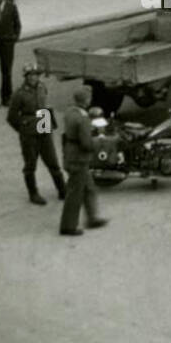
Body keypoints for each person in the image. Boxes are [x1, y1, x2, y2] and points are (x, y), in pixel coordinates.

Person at [7, 64, 67, 205]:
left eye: (36, 75)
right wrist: (23, 129)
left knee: (52, 161)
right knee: (30, 164)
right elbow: (12, 117)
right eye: (31, 75)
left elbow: (44, 104)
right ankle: (33, 193)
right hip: (29, 129)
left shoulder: (42, 87)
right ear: (26, 77)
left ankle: (63, 190)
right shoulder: (19, 94)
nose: (34, 77)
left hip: (44, 121)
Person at [59, 86, 108, 236]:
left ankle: (92, 218)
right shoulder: (83, 118)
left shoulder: (70, 112)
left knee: (89, 188)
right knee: (75, 193)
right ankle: (68, 226)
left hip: (70, 155)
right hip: (79, 159)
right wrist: (99, 142)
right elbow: (86, 143)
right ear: (86, 101)